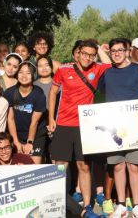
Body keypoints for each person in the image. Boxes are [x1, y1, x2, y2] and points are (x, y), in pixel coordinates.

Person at [48, 39, 113, 207]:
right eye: (85, 53)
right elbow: (53, 93)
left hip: (85, 126)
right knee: (60, 166)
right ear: (78, 53)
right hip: (63, 123)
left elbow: (109, 63)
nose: (88, 57)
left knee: (84, 166)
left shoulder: (97, 68)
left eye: (92, 55)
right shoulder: (64, 69)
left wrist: (98, 47)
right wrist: (51, 119)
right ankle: (57, 204)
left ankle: (86, 205)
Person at [97, 38, 138, 218]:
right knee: (118, 166)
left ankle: (136, 206)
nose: (117, 53)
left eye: (120, 50)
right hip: (113, 126)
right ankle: (120, 205)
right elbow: (100, 90)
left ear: (128, 51)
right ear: (110, 53)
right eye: (113, 51)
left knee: (134, 166)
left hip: (135, 125)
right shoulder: (107, 72)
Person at [5, 61, 48, 163]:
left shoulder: (39, 95)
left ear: (33, 75)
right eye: (21, 72)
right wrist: (15, 141)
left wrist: (30, 142)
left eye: (28, 73)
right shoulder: (9, 93)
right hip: (16, 134)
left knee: (34, 166)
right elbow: (10, 119)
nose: (24, 75)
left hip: (36, 134)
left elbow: (34, 122)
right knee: (18, 165)